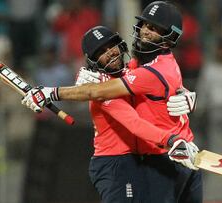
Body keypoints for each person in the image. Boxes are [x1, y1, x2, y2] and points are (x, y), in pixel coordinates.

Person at [22, 1, 202, 202]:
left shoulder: (134, 69)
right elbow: (132, 121)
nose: (110, 54)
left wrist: (185, 94)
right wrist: (50, 92)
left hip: (138, 160)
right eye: (101, 52)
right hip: (115, 162)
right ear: (93, 61)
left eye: (111, 46)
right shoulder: (104, 91)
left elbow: (154, 79)